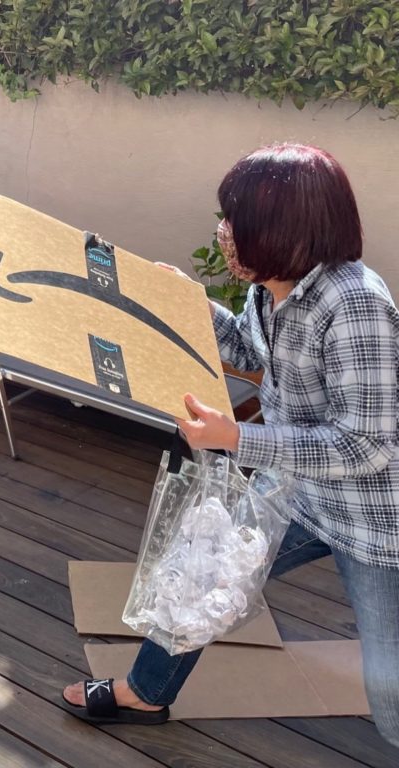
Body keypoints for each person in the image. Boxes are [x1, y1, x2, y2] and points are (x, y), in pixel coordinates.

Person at [62, 143, 399, 747]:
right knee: (196, 576)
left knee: (389, 678)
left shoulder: (355, 304)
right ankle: (146, 695)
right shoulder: (273, 287)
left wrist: (237, 438)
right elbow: (249, 352)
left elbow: (367, 445)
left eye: (235, 217)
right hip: (292, 491)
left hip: (374, 516)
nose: (224, 231)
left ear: (285, 228)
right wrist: (188, 305)